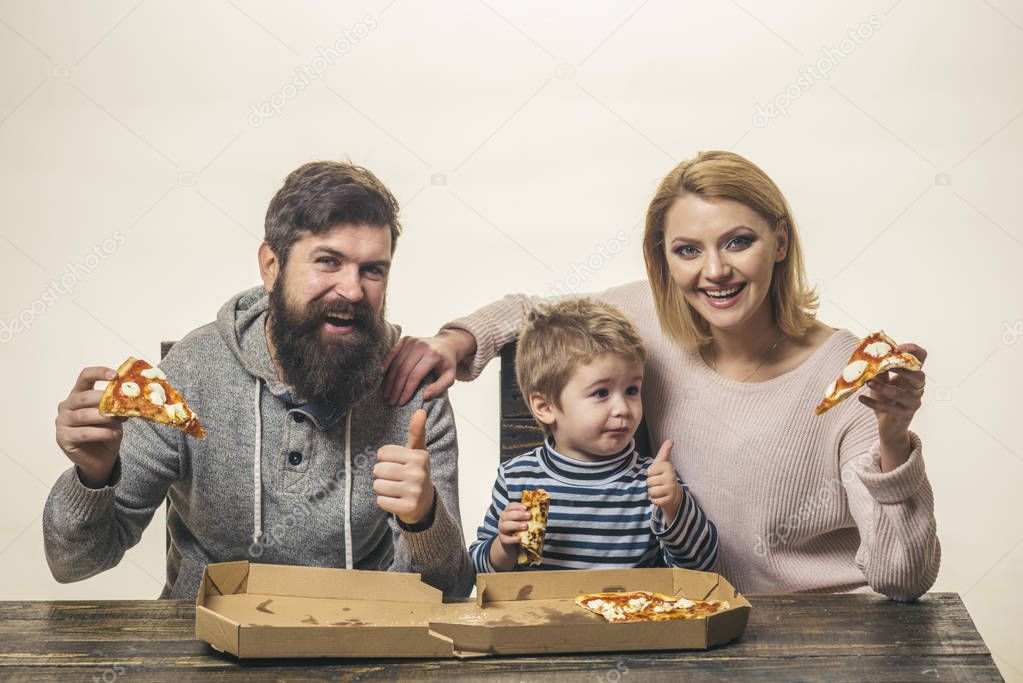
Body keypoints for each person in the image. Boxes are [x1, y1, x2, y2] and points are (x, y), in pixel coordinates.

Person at [381, 151, 940, 601]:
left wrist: (892, 441)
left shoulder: (849, 378)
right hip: (685, 622)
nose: (714, 271)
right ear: (664, 260)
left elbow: (903, 579)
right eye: (688, 250)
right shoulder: (653, 317)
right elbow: (535, 310)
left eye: (738, 241)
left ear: (780, 242)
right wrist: (459, 340)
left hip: (818, 630)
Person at [45, 161, 474, 599]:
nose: (352, 290)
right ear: (271, 265)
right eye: (328, 261)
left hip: (351, 645)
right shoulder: (190, 374)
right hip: (201, 645)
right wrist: (92, 477)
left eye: (373, 270)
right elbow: (74, 562)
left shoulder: (413, 390)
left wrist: (424, 520)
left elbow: (451, 591)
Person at [470, 298, 718, 573]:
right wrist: (503, 548)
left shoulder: (652, 482)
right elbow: (478, 571)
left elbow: (700, 566)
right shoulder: (518, 478)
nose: (623, 408)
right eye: (601, 393)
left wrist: (675, 507)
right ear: (545, 407)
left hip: (630, 614)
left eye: (632, 390)